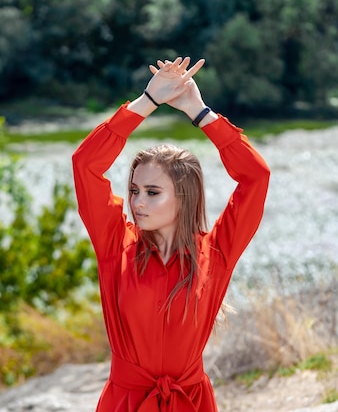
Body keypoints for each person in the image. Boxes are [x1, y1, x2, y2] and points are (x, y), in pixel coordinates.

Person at [72, 57, 271, 412]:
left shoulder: (218, 251)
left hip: (190, 402)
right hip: (127, 403)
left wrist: (200, 111)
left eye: (152, 192)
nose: (137, 202)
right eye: (134, 191)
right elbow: (85, 164)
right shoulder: (114, 243)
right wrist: (147, 101)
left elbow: (256, 176)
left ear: (184, 197)